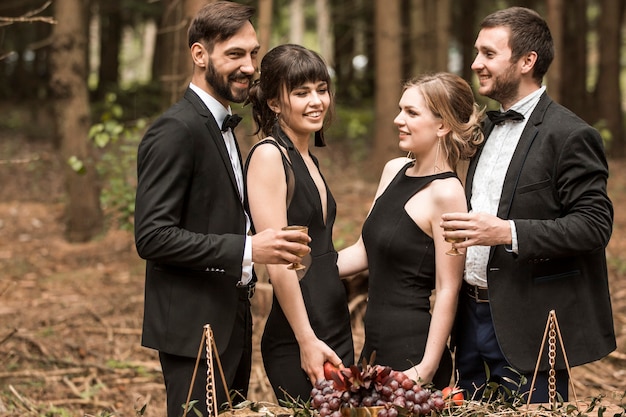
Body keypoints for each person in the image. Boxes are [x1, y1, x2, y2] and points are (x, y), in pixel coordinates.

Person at [134, 3, 311, 416]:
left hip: (231, 322)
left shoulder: (224, 124)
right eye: (235, 54)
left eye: (253, 54)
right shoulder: (175, 130)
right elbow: (152, 236)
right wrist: (249, 250)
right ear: (200, 55)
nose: (249, 66)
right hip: (193, 329)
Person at [441, 6, 616, 403]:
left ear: (526, 61)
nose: (475, 64)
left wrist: (507, 232)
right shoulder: (482, 128)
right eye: (477, 53)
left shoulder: (571, 135)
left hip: (531, 325)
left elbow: (594, 226)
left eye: (488, 54)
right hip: (467, 322)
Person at [337, 72, 484, 389]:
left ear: (442, 125)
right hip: (372, 343)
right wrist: (308, 266)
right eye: (401, 109)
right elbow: (365, 251)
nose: (397, 119)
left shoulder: (447, 194)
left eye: (411, 113)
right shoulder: (393, 170)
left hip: (411, 352)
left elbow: (448, 287)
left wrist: (426, 369)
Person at [244, 44, 354, 401]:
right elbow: (280, 263)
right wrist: (307, 340)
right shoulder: (269, 156)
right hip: (300, 335)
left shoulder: (308, 158)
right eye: (301, 92)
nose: (316, 101)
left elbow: (322, 256)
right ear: (275, 103)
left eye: (322, 90)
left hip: (335, 324)